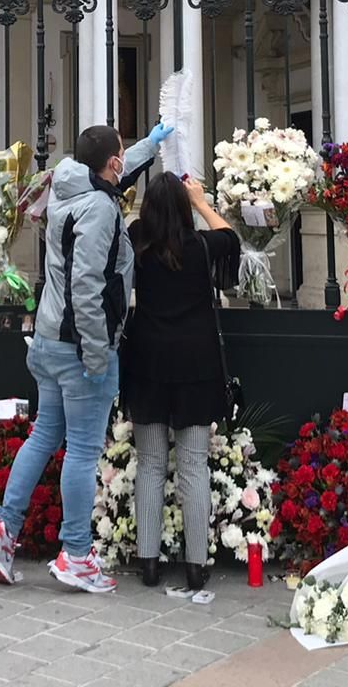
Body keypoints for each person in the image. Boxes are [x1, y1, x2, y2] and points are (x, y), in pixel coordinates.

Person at [0, 120, 170, 593]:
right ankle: (77, 554)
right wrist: (95, 355)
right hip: (79, 344)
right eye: (122, 155)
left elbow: (112, 182)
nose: (124, 163)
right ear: (111, 162)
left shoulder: (69, 185)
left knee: (44, 435)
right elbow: (87, 285)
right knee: (83, 451)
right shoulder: (102, 210)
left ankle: (5, 532)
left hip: (47, 338)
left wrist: (153, 142)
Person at [122, 173, 239, 593]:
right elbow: (230, 236)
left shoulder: (138, 242)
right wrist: (201, 202)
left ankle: (149, 563)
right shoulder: (202, 246)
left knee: (151, 464)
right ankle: (194, 565)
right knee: (193, 466)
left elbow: (131, 221)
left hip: (147, 361)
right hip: (195, 364)